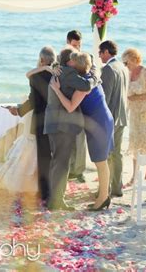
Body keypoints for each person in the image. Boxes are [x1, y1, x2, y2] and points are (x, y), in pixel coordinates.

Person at [49, 52, 113, 211]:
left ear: (75, 66)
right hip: (102, 120)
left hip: (99, 123)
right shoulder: (91, 76)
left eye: (72, 61)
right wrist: (56, 65)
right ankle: (103, 196)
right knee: (102, 161)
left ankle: (103, 198)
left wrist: (56, 90)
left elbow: (70, 107)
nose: (69, 62)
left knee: (100, 162)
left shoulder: (83, 86)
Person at [43, 48, 99, 211]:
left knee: (57, 162)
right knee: (62, 163)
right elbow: (87, 85)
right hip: (62, 125)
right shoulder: (67, 72)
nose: (76, 60)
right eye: (74, 58)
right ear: (69, 61)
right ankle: (56, 201)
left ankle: (53, 198)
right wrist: (95, 72)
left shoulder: (59, 71)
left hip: (54, 123)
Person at [7, 46, 57, 201]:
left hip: (41, 122)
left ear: (42, 60)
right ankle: (56, 188)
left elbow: (33, 101)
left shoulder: (36, 77)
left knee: (43, 158)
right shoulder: (58, 75)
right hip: (58, 120)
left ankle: (45, 193)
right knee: (56, 156)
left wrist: (19, 110)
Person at [122, 48, 146, 186]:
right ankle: (134, 176)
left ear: (134, 59)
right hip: (134, 114)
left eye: (126, 62)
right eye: (124, 63)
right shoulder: (127, 73)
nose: (125, 65)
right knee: (135, 144)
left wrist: (140, 97)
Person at [99, 40, 129, 198]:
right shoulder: (123, 67)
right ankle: (116, 188)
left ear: (106, 52)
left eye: (100, 53)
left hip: (111, 118)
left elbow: (105, 98)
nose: (99, 56)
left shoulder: (108, 69)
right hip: (122, 115)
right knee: (117, 154)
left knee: (106, 155)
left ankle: (105, 190)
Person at [65, 30, 87, 183]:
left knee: (80, 139)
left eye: (79, 46)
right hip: (65, 104)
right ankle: (68, 170)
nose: (77, 49)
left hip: (80, 103)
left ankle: (78, 171)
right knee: (67, 140)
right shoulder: (63, 58)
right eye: (74, 45)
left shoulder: (84, 57)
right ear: (68, 42)